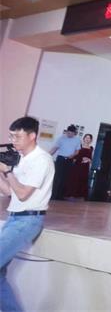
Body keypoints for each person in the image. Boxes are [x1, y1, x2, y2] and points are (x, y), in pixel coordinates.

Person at [0, 116, 54, 312]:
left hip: (28, 220)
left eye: (17, 136)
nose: (13, 140)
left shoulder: (41, 160)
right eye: (11, 136)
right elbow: (9, 192)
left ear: (32, 136)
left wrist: (7, 171)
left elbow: (23, 194)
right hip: (14, 218)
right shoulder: (22, 159)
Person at [49, 124, 81, 200]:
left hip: (69, 160)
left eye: (71, 133)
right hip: (60, 159)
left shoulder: (77, 140)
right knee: (57, 177)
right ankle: (53, 195)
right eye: (68, 133)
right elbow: (55, 148)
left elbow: (77, 151)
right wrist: (47, 155)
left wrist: (72, 155)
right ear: (66, 132)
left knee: (65, 178)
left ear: (74, 133)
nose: (69, 135)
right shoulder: (61, 138)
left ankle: (60, 196)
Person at [64, 133, 93, 200]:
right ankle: (71, 194)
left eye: (89, 138)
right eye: (86, 137)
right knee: (75, 179)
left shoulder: (91, 148)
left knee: (83, 180)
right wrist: (81, 159)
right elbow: (75, 156)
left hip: (85, 166)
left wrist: (88, 160)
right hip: (78, 165)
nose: (87, 139)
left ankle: (80, 195)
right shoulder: (79, 146)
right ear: (84, 138)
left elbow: (91, 158)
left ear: (91, 140)